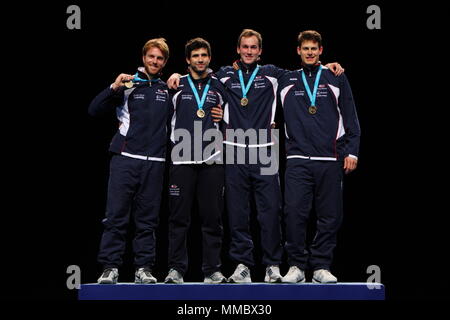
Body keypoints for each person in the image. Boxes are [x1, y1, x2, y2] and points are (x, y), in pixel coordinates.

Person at [167, 29, 344, 283]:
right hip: (234, 147)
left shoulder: (273, 74)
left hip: (265, 149)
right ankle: (242, 265)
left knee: (270, 211)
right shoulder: (225, 76)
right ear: (238, 50)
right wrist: (176, 75)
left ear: (260, 51)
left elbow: (306, 71)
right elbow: (199, 75)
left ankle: (272, 265)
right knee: (237, 212)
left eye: (254, 47)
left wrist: (327, 66)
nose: (249, 51)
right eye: (245, 47)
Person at [278, 30, 360, 283]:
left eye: (314, 49)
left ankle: (322, 266)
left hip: (330, 157)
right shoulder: (286, 79)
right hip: (297, 159)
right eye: (306, 49)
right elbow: (248, 69)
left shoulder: (335, 77)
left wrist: (353, 151)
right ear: (298, 51)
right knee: (293, 213)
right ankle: (296, 266)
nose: (310, 52)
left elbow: (350, 115)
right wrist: (176, 76)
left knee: (330, 215)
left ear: (321, 51)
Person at [88, 38, 172, 284]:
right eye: (151, 57)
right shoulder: (127, 84)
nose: (154, 61)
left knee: (147, 220)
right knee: (116, 216)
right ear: (143, 57)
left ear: (164, 62)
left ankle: (143, 268)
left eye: (159, 58)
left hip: (155, 161)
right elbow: (93, 110)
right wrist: (113, 87)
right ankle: (110, 267)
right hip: (125, 159)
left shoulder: (167, 89)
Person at [164, 38, 227, 284]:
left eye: (204, 55)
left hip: (212, 160)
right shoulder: (176, 85)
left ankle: (212, 270)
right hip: (181, 160)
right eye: (195, 56)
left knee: (212, 218)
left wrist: (223, 116)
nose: (200, 59)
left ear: (209, 58)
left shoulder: (220, 86)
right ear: (187, 60)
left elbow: (231, 116)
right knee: (178, 218)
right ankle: (176, 269)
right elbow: (163, 119)